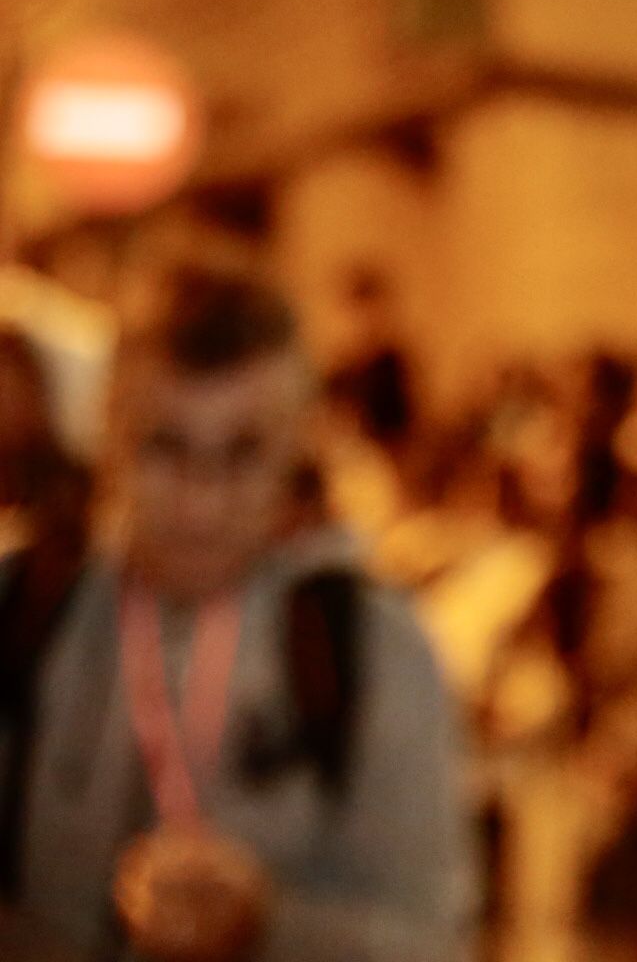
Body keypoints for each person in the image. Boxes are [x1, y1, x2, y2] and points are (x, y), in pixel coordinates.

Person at [0, 268, 475, 961]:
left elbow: (433, 942)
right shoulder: (23, 609)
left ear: (297, 448)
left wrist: (268, 925)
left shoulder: (369, 645)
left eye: (244, 453)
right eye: (165, 447)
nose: (203, 504)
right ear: (108, 432)